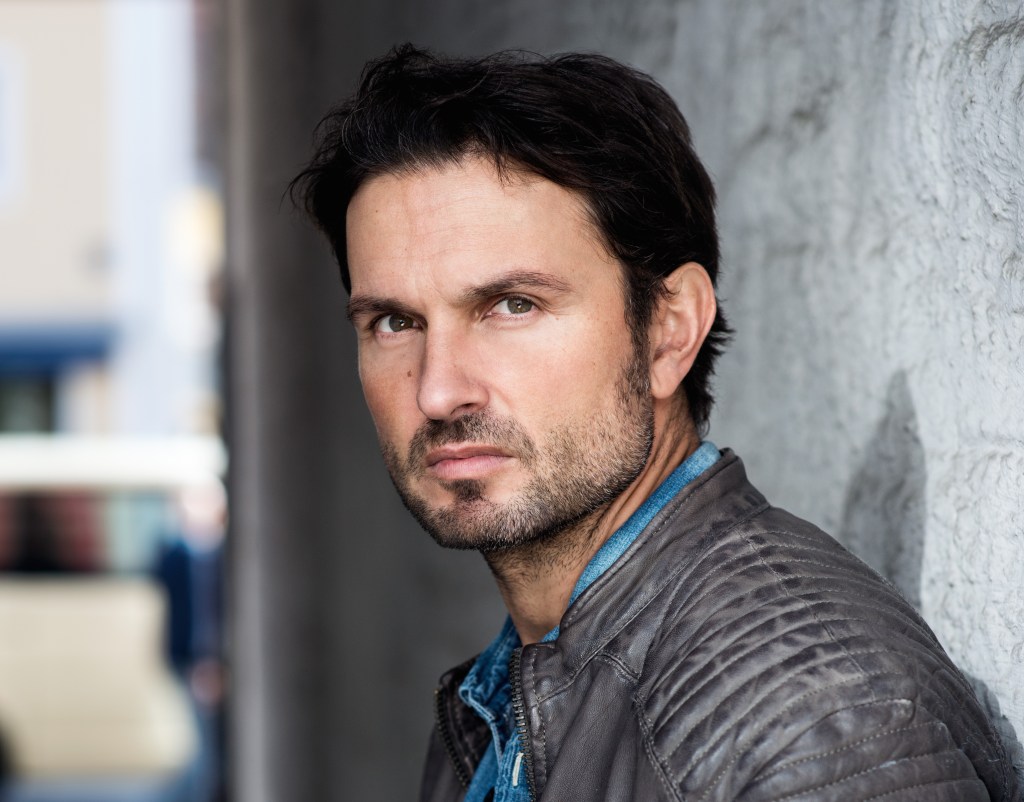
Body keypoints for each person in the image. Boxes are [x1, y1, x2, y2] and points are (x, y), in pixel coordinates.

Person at [292, 45, 1018, 802]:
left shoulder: (808, 720)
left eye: (513, 305)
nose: (439, 391)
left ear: (669, 332)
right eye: (394, 322)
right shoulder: (506, 697)